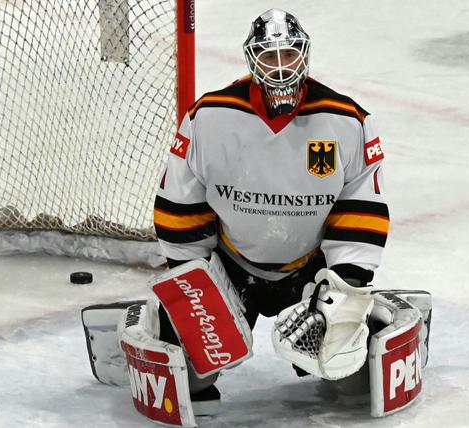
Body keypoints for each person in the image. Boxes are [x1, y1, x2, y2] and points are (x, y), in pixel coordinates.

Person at [153, 8, 390, 412]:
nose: (280, 67)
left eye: (289, 54)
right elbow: (181, 206)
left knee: (354, 382)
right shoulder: (210, 117)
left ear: (304, 55)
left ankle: (378, 323)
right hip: (230, 267)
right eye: (269, 56)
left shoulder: (346, 121)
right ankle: (162, 328)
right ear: (251, 59)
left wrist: (345, 288)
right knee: (190, 377)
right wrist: (191, 282)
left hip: (311, 272)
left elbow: (361, 210)